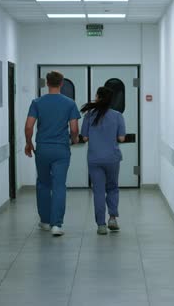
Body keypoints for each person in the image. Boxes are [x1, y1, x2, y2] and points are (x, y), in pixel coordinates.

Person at [24, 71, 81, 237]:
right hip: (61, 150)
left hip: (42, 149)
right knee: (59, 186)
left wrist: (29, 143)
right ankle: (57, 225)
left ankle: (45, 221)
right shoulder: (69, 103)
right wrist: (75, 139)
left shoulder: (37, 102)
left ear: (47, 83)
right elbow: (74, 128)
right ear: (62, 83)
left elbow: (28, 127)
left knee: (43, 184)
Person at [80, 87, 126, 235]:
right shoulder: (118, 116)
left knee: (98, 191)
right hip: (112, 158)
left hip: (94, 158)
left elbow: (85, 137)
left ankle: (101, 225)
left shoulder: (88, 116)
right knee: (112, 188)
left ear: (98, 97)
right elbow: (121, 138)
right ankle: (112, 218)